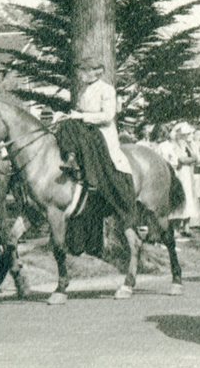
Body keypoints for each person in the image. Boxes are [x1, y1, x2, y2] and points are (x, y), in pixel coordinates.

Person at [53, 60, 140, 248]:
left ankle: (74, 159)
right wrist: (72, 116)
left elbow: (108, 115)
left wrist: (82, 117)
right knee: (65, 126)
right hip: (87, 130)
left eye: (84, 71)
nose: (81, 75)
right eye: (81, 71)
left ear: (95, 72)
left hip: (101, 133)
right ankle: (70, 159)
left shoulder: (107, 90)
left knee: (71, 127)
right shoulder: (85, 90)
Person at [171, 122, 200, 236]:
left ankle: (186, 227)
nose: (189, 136)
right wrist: (193, 159)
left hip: (188, 175)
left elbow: (196, 157)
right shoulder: (176, 145)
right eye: (186, 134)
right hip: (181, 174)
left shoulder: (189, 145)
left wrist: (193, 157)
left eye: (189, 134)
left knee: (190, 199)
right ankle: (176, 228)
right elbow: (181, 159)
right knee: (181, 198)